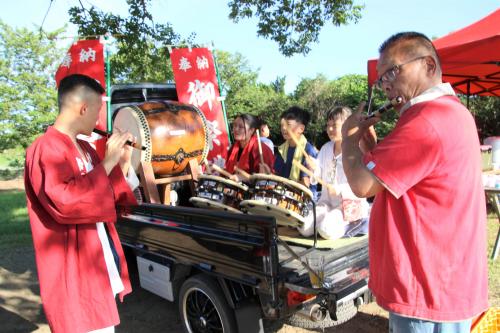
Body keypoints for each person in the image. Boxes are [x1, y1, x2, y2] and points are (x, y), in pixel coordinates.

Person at [341, 32, 488, 332]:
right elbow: (408, 185)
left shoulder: (427, 120)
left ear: (429, 66)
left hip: (428, 289)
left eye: (393, 71)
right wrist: (370, 148)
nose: (386, 86)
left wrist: (348, 137)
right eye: (382, 79)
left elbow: (361, 185)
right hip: (442, 281)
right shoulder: (449, 112)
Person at [24, 74, 139, 333]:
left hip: (97, 264)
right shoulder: (46, 148)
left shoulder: (85, 150)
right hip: (74, 274)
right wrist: (108, 161)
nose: (99, 121)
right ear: (83, 108)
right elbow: (68, 202)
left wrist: (122, 162)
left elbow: (108, 195)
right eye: (98, 111)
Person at [299, 106, 369, 239]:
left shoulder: (357, 149)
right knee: (304, 228)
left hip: (349, 204)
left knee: (326, 230)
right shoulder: (326, 148)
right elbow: (317, 176)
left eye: (334, 125)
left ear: (347, 125)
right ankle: (328, 220)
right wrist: (313, 168)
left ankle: (357, 222)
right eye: (328, 125)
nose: (330, 129)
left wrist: (339, 189)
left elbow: (362, 184)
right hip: (327, 202)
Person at [273, 106, 318, 199]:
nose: (284, 128)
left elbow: (306, 184)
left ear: (301, 129)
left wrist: (283, 186)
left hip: (303, 199)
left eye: (288, 125)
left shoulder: (308, 151)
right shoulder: (282, 149)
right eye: (282, 125)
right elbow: (276, 176)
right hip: (284, 195)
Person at [225, 114, 274, 179]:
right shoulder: (233, 148)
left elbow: (266, 180)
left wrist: (243, 178)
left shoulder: (262, 150)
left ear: (251, 130)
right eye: (234, 125)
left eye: (241, 127)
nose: (236, 129)